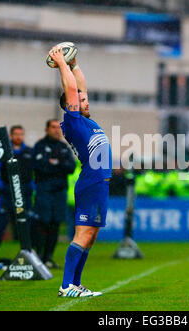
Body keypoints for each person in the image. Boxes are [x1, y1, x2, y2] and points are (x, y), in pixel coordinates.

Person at [49, 46, 112, 297]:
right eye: (80, 100)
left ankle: (75, 284)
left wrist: (74, 64)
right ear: (70, 105)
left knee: (91, 237)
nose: (86, 101)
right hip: (90, 184)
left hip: (100, 184)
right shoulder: (72, 121)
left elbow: (80, 88)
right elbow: (73, 90)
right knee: (82, 235)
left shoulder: (86, 119)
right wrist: (61, 65)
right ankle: (66, 286)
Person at [33, 119, 75, 269]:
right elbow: (39, 167)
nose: (57, 130)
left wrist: (54, 163)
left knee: (55, 224)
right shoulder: (40, 146)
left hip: (59, 192)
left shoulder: (64, 147)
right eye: (53, 127)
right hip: (44, 191)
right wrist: (59, 166)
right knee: (42, 223)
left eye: (59, 127)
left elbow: (71, 167)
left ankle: (48, 257)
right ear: (47, 129)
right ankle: (39, 257)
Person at [0, 125, 33, 260]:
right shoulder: (4, 152)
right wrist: (2, 187)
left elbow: (34, 174)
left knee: (26, 229)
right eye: (16, 134)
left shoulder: (28, 152)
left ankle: (29, 258)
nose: (19, 137)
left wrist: (31, 188)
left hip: (24, 196)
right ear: (10, 135)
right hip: (7, 197)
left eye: (21, 134)